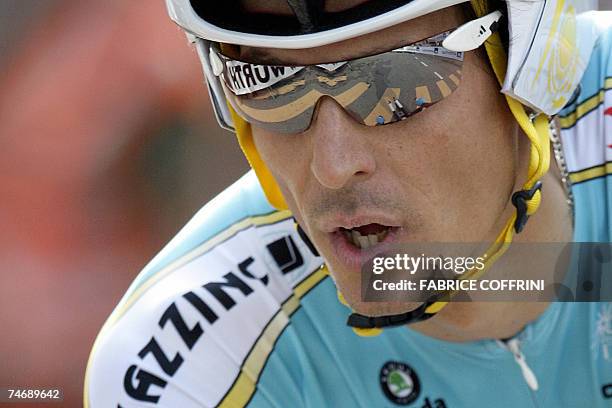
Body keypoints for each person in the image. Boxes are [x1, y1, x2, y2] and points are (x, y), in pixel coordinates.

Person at [85, 1, 612, 406]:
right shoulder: (194, 362)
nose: (333, 166)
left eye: (398, 81)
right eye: (268, 84)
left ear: (536, 62)